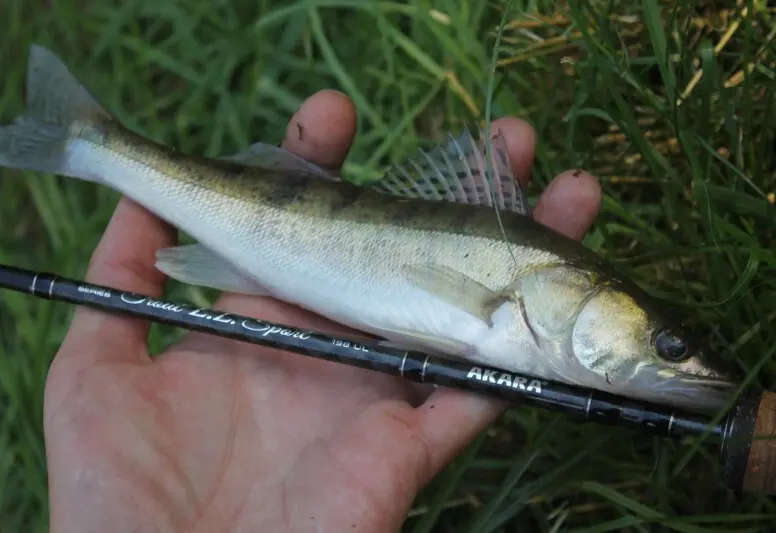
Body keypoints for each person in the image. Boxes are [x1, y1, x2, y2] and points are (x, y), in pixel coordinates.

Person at [43, 90, 602, 532]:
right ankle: (90, 143)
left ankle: (91, 142)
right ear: (575, 293)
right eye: (663, 347)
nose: (679, 365)